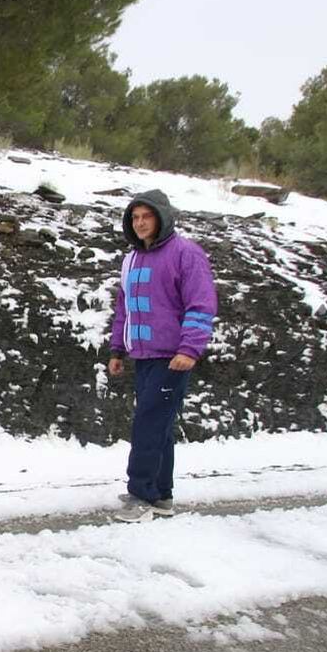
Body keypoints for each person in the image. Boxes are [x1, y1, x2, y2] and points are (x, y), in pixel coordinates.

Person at [107, 188, 217, 522]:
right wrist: (117, 349)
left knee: (147, 425)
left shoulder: (186, 254)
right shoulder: (133, 258)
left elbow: (201, 304)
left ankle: (141, 496)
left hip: (172, 357)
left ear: (162, 217)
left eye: (146, 216)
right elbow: (124, 308)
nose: (139, 223)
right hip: (143, 355)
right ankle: (161, 495)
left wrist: (189, 349)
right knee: (160, 427)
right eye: (135, 218)